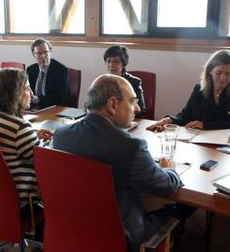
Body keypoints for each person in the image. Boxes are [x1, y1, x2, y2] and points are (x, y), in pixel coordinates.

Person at [53, 74, 182, 251]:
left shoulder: (61, 135)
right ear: (112, 104)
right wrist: (170, 169)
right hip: (122, 238)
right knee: (179, 209)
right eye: (132, 101)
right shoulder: (131, 147)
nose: (137, 108)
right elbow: (166, 186)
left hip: (73, 231)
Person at [0, 68, 52, 204]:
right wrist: (50, 142)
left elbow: (6, 139)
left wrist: (32, 136)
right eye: (28, 88)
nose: (31, 93)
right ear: (15, 93)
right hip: (23, 195)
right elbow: (44, 163)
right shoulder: (20, 127)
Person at [147, 49, 230, 131]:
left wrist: (205, 125)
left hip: (227, 146)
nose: (223, 78)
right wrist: (169, 119)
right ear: (210, 71)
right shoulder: (199, 89)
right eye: (219, 73)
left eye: (228, 74)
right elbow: (186, 116)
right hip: (200, 142)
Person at [26, 38, 71, 108]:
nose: (43, 56)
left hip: (54, 109)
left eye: (46, 52)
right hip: (34, 109)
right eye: (39, 53)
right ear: (34, 54)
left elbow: (60, 97)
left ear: (50, 52)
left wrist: (38, 99)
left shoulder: (61, 70)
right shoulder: (31, 70)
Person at [104, 45, 146, 118]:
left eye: (116, 62)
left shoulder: (134, 82)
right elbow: (88, 106)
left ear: (123, 64)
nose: (111, 65)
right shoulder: (101, 81)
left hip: (125, 121)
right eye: (108, 61)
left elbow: (141, 111)